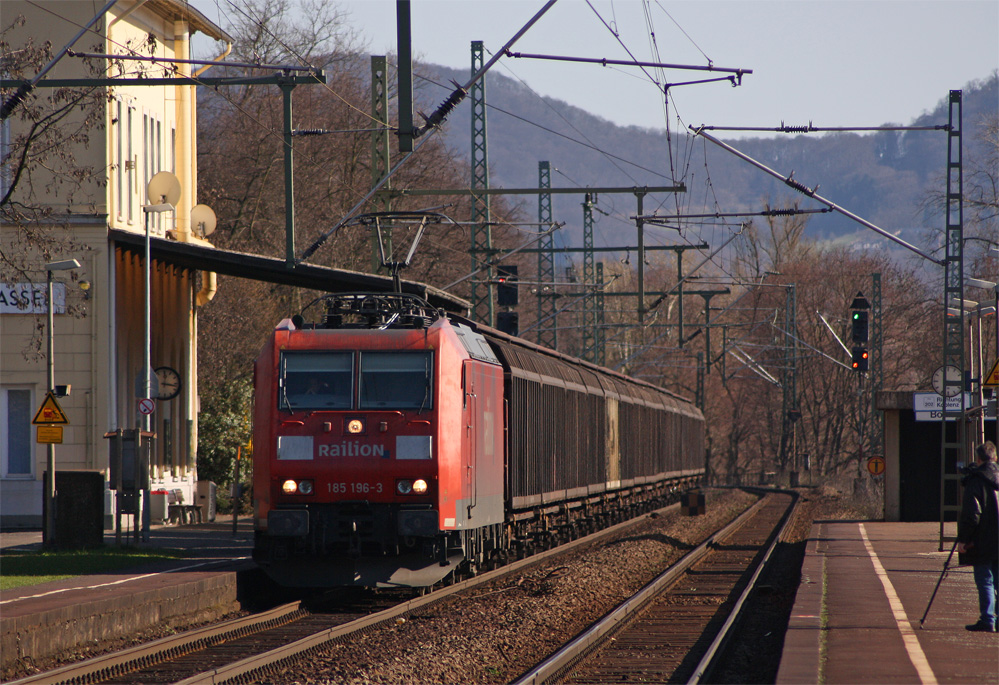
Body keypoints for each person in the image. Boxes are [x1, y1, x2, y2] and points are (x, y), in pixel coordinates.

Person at [957, 440, 999, 633]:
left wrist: (964, 540)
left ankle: (987, 619)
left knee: (985, 580)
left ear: (979, 459)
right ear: (995, 457)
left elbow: (972, 514)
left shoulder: (976, 481)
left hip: (983, 540)